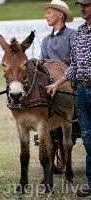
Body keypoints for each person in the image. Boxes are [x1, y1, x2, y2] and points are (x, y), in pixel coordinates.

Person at [46, 0, 91, 197]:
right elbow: (74, 67)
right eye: (81, 5)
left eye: (86, 5)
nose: (82, 8)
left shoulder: (72, 34)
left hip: (78, 89)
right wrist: (56, 83)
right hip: (80, 89)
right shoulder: (80, 32)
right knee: (88, 138)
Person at [38, 0, 76, 174]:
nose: (46, 15)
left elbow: (77, 62)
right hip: (51, 86)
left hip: (71, 83)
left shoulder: (72, 35)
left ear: (60, 14)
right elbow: (43, 64)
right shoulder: (45, 41)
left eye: (49, 12)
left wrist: (61, 67)